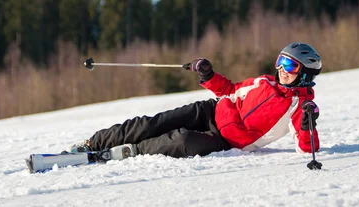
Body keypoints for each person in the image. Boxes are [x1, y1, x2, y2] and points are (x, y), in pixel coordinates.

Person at [69, 42, 322, 161]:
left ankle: (130, 151)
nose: (281, 69)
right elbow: (229, 90)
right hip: (210, 112)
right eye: (280, 61)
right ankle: (94, 142)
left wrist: (308, 125)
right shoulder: (264, 82)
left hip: (225, 140)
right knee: (154, 123)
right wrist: (208, 76)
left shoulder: (301, 108)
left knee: (182, 141)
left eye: (289, 64)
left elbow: (306, 148)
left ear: (305, 72)